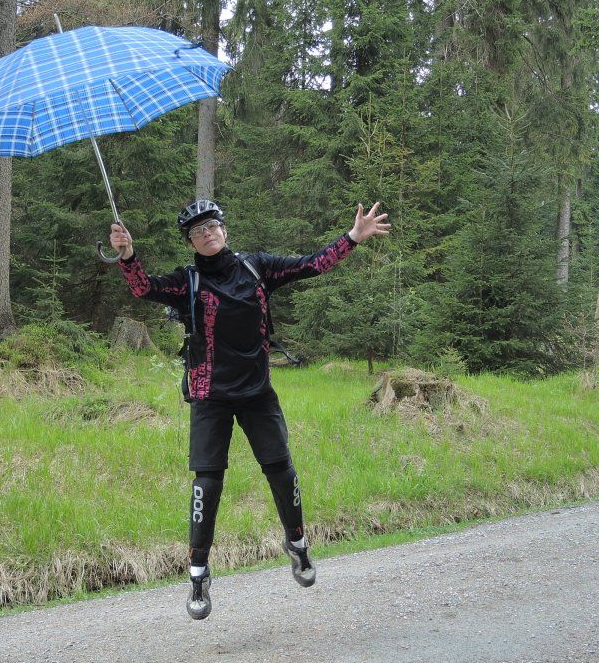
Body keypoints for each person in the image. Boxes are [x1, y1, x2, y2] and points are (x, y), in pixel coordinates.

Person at [110, 199, 391, 619]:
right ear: (190, 242)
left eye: (212, 226)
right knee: (208, 481)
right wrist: (127, 255)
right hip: (209, 395)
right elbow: (142, 288)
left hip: (257, 391)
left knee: (281, 469)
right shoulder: (187, 282)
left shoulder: (257, 268)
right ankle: (199, 572)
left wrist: (353, 237)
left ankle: (297, 544)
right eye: (197, 231)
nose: (207, 234)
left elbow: (312, 264)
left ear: (224, 230)